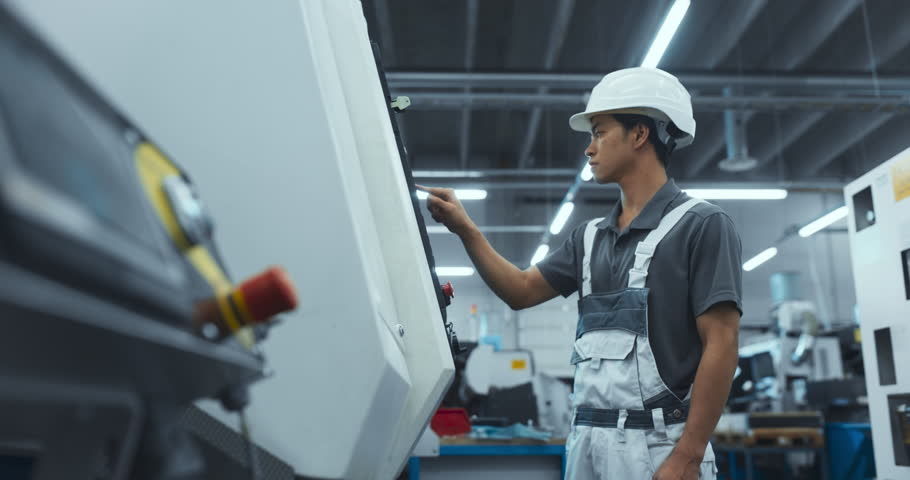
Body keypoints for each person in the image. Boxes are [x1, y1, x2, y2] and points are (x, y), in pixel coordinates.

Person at [418, 67, 742, 480]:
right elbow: (520, 291)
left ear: (640, 134)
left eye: (600, 132)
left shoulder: (703, 225)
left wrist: (689, 454)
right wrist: (466, 230)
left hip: (660, 448)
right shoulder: (588, 238)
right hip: (586, 441)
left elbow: (723, 343)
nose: (589, 149)